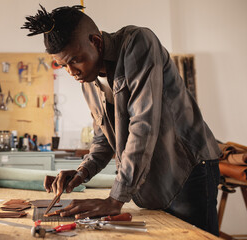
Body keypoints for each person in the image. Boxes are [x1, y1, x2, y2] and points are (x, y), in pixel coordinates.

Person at [22, 5, 221, 236]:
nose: (71, 71)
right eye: (63, 65)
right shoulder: (88, 79)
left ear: (96, 42)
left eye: (75, 60)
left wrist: (115, 198)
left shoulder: (138, 43)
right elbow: (103, 137)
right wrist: (82, 172)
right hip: (154, 179)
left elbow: (143, 125)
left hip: (188, 169)